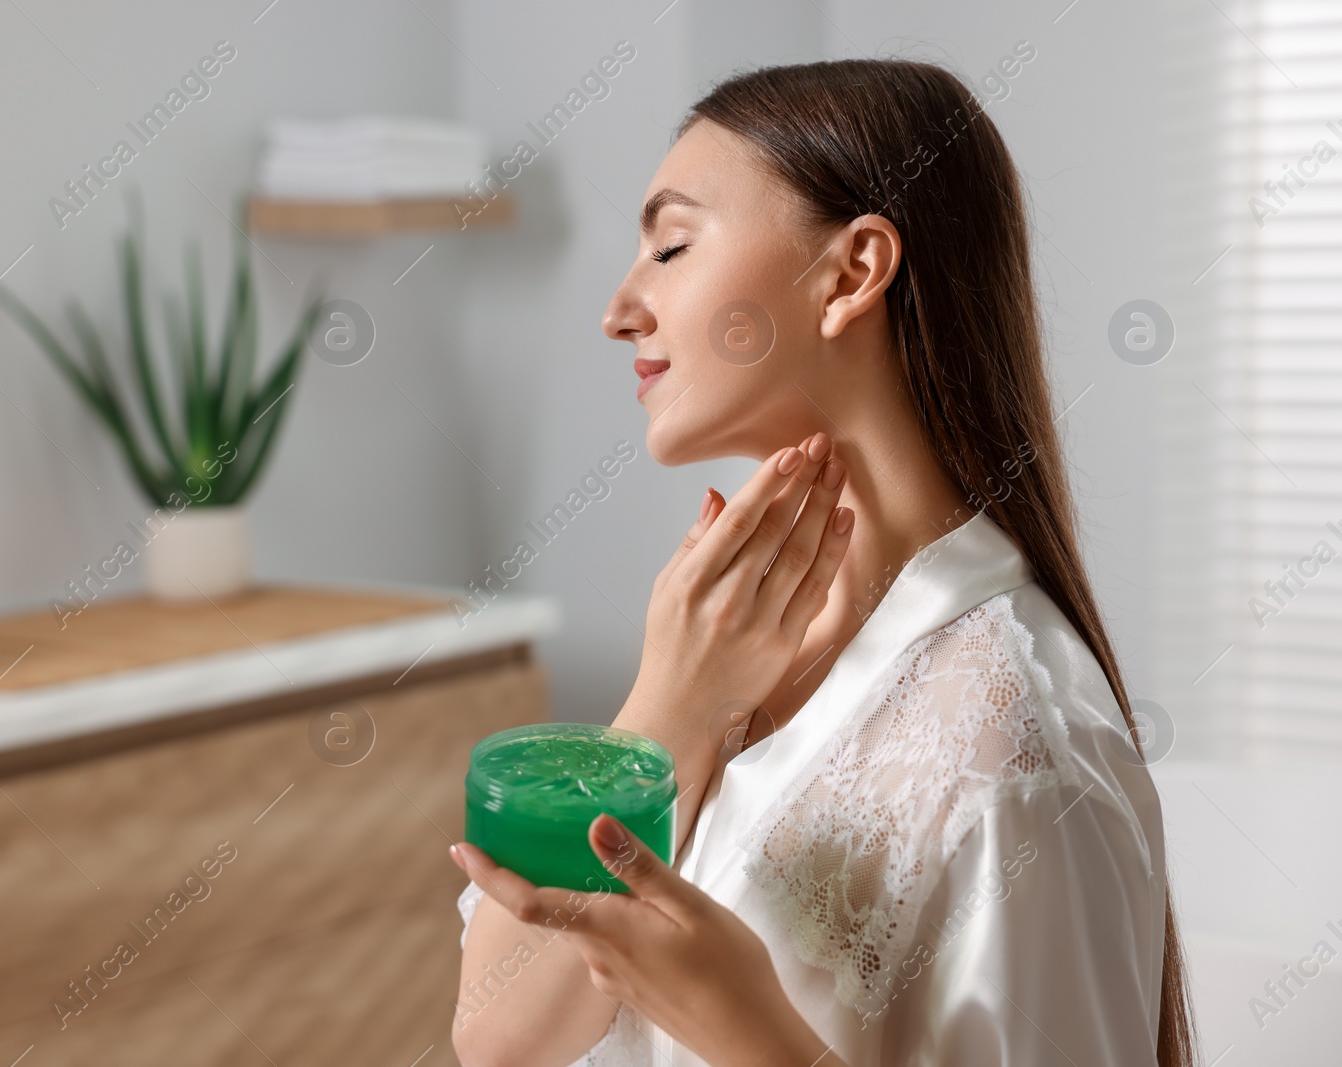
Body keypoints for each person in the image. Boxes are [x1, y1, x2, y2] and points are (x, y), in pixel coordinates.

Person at [448, 59, 1196, 1067]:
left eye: (671, 245)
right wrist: (670, 704)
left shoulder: (1023, 747)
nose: (620, 308)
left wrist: (748, 1029)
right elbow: (498, 1033)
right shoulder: (722, 637)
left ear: (849, 274)